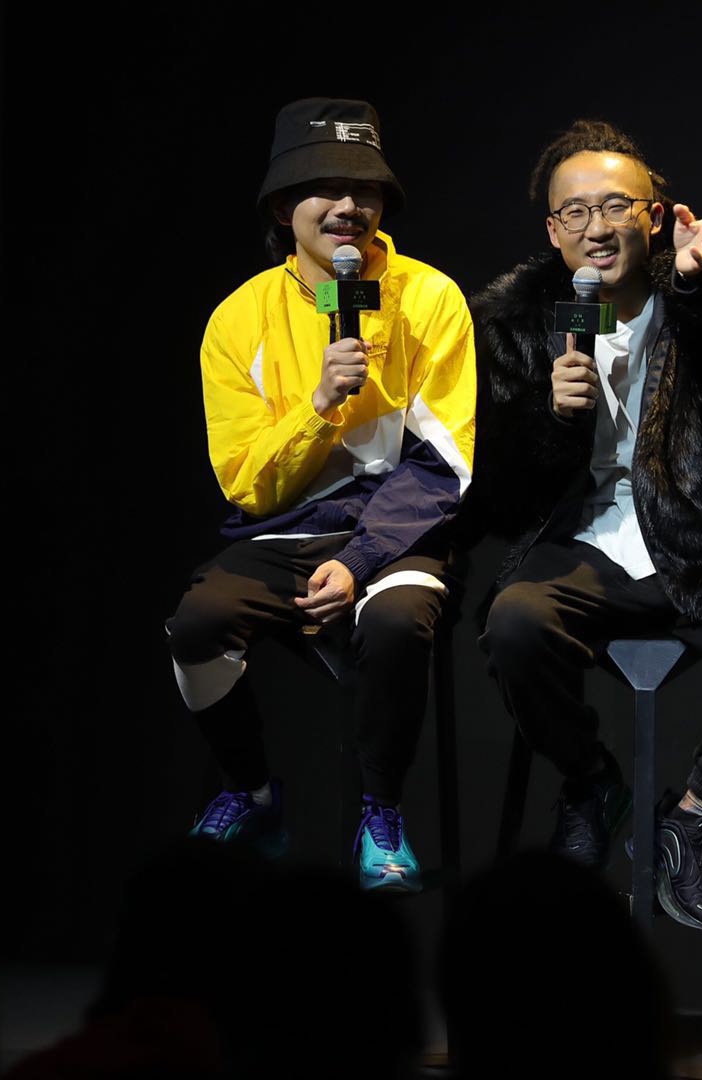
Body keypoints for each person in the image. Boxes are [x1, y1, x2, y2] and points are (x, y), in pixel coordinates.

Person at [473, 119, 702, 929]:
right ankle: (591, 784)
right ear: (553, 231)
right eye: (575, 212)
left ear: (652, 214)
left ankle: (694, 817)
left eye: (615, 206)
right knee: (515, 624)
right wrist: (548, 420)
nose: (597, 228)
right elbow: (494, 494)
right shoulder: (514, 323)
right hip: (580, 550)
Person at [166, 98, 475, 893]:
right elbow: (245, 483)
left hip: (398, 526)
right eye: (325, 188)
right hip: (288, 528)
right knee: (197, 621)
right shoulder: (238, 319)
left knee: (399, 620)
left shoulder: (429, 297)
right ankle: (251, 792)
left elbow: (444, 460)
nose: (348, 206)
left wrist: (363, 559)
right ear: (282, 208)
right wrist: (318, 405)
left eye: (365, 189)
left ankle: (382, 815)